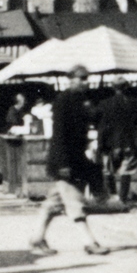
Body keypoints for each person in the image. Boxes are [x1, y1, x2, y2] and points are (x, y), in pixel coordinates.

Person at [30, 66, 110, 257]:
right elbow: (59, 135)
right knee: (75, 203)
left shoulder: (81, 101)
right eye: (81, 78)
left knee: (53, 204)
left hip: (75, 158)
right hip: (65, 160)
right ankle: (89, 242)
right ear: (71, 79)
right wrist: (63, 163)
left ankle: (37, 239)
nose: (85, 81)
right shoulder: (63, 101)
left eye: (86, 78)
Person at [97, 79, 137, 203]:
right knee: (126, 171)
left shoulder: (105, 104)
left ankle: (112, 196)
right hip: (129, 142)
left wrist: (101, 144)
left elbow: (99, 124)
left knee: (108, 171)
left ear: (113, 88)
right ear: (127, 88)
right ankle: (123, 199)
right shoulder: (135, 103)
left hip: (110, 143)